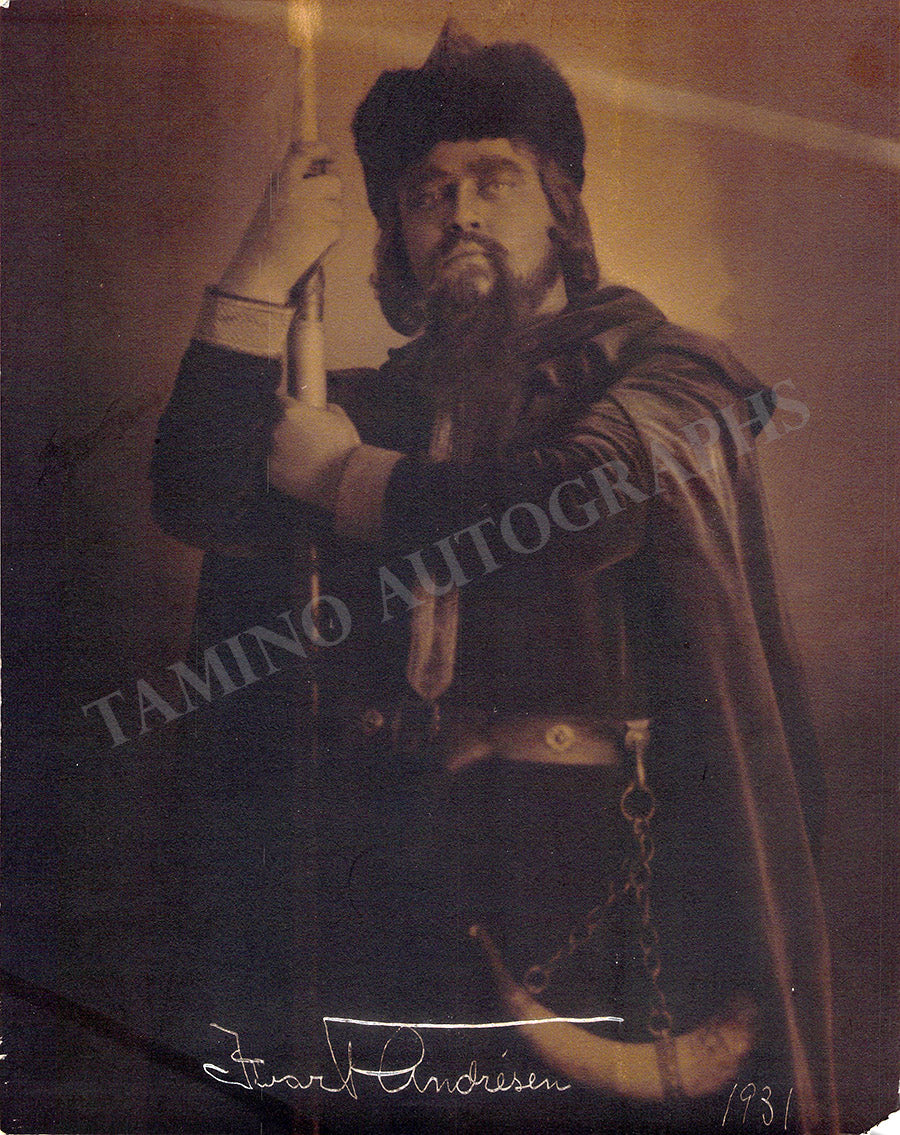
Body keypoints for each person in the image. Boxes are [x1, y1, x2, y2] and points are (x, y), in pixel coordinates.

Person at [151, 21, 838, 1134]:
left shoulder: (671, 375)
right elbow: (198, 497)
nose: (459, 211)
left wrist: (345, 479)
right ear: (397, 238)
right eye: (426, 194)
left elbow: (582, 501)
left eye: (492, 180)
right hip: (393, 876)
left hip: (597, 875)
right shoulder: (372, 405)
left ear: (561, 209)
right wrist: (260, 270)